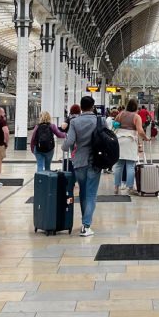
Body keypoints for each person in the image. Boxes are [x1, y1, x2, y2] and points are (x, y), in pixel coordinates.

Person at [63, 95, 103, 236]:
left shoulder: (74, 121)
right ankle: (86, 225)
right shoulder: (99, 121)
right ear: (92, 107)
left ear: (81, 107)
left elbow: (70, 141)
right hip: (95, 162)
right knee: (91, 194)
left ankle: (85, 223)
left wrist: (63, 147)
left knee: (83, 193)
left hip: (79, 161)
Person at [112, 98, 147, 195]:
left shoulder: (120, 114)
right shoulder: (136, 117)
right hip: (130, 141)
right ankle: (130, 188)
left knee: (119, 165)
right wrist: (146, 138)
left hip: (119, 140)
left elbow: (115, 126)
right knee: (130, 166)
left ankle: (116, 187)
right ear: (136, 107)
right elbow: (140, 131)